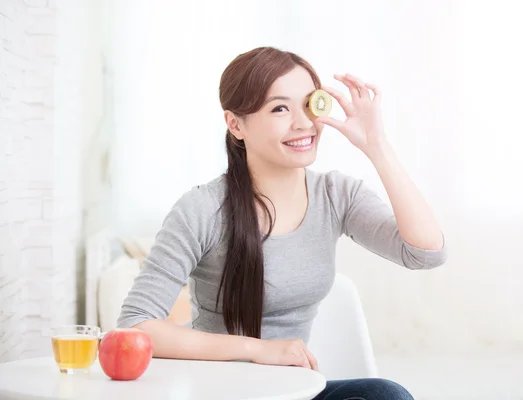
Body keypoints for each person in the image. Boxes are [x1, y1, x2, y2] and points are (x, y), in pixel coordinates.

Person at [117, 46, 447, 400]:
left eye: (309, 104)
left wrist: (377, 146)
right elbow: (135, 326)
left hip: (292, 393)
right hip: (219, 392)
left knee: (384, 394)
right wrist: (258, 350)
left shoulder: (336, 195)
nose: (304, 122)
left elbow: (425, 253)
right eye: (279, 108)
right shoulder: (201, 209)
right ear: (236, 124)